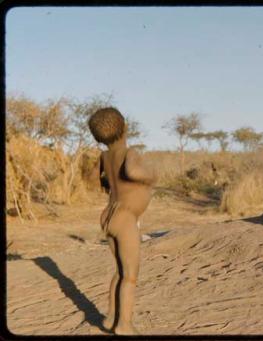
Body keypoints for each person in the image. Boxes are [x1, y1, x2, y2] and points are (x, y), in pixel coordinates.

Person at [88, 107, 157, 334]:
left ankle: (110, 319)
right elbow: (133, 172)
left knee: (120, 271)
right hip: (126, 218)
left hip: (110, 215)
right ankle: (124, 325)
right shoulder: (130, 153)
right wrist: (151, 177)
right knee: (130, 276)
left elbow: (92, 180)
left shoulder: (104, 156)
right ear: (125, 127)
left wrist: (109, 184)